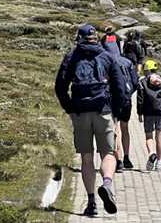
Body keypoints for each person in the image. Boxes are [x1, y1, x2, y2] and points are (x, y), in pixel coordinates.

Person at [55, 24, 128, 217]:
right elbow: (120, 88)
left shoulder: (71, 57)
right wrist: (116, 113)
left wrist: (70, 109)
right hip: (103, 110)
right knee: (109, 154)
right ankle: (107, 184)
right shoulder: (107, 56)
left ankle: (91, 202)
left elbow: (60, 87)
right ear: (96, 38)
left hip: (80, 112)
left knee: (87, 158)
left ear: (78, 38)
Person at [137, 59, 161, 172]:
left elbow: (140, 100)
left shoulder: (142, 82)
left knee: (149, 136)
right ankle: (159, 162)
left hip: (148, 112)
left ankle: (151, 153)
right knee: (159, 136)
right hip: (160, 112)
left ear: (147, 70)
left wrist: (139, 113)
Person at [113, 52, 139, 172]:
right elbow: (135, 82)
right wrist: (128, 95)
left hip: (113, 100)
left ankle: (118, 160)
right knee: (125, 128)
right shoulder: (128, 62)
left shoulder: (107, 60)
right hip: (126, 100)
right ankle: (127, 157)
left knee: (115, 129)